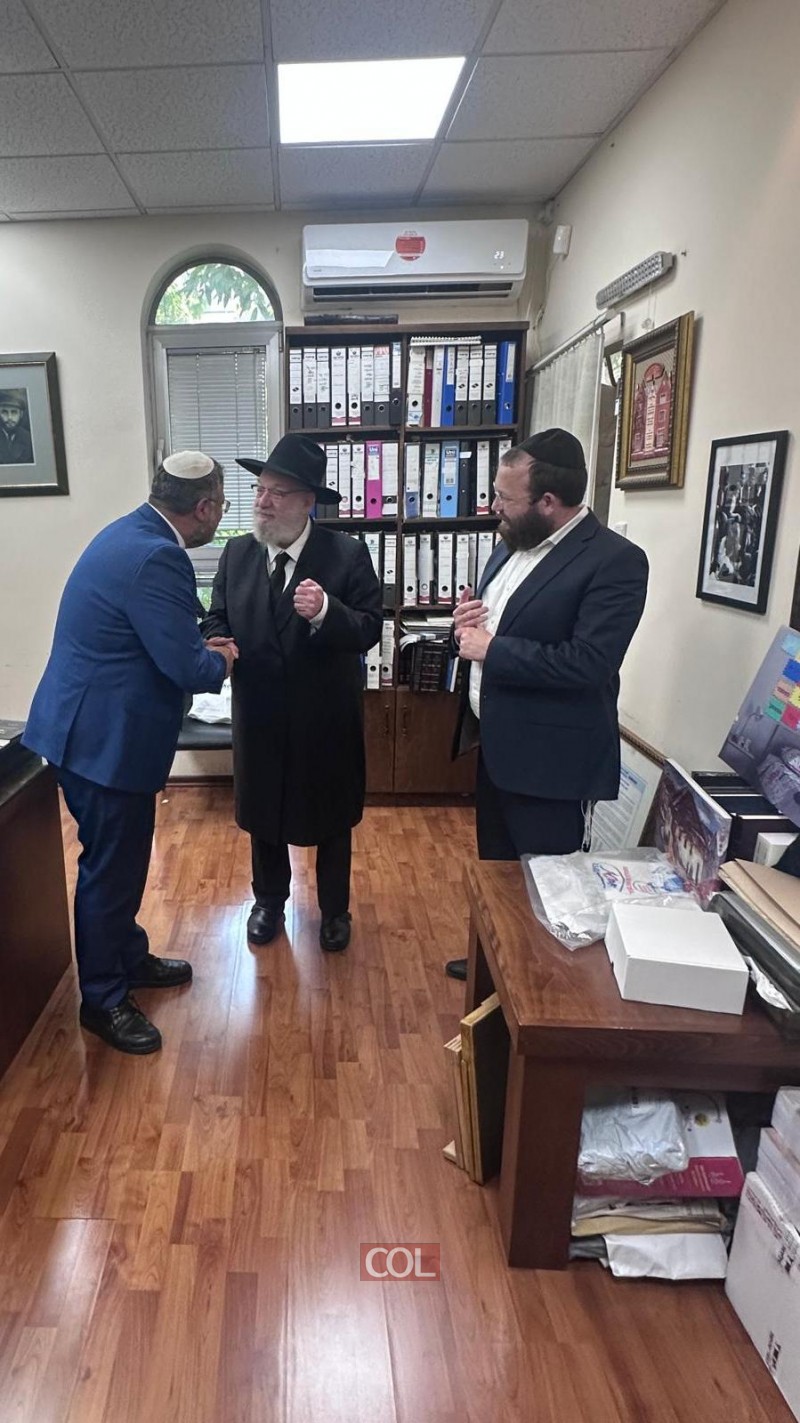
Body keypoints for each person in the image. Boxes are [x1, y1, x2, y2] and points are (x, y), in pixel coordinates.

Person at [22, 451, 238, 1052]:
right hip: (103, 744)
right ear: (203, 507)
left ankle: (127, 957)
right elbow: (187, 668)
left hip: (87, 730)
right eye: (222, 506)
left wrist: (195, 647)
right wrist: (222, 657)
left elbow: (150, 635)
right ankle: (103, 999)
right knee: (110, 871)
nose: (221, 516)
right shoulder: (159, 556)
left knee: (120, 864)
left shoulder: (129, 532)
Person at [445, 428, 649, 980]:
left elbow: (588, 664)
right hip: (497, 747)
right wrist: (466, 625)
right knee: (498, 873)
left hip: (552, 766)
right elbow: (492, 631)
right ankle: (494, 968)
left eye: (504, 498)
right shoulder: (510, 544)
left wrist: (492, 648)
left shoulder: (615, 561)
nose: (494, 507)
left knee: (551, 889)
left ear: (549, 502)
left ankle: (538, 988)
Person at [202, 433, 383, 953]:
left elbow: (370, 628)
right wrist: (218, 643)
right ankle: (268, 902)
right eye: (260, 489)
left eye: (277, 493)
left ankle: (334, 911)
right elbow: (216, 617)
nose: (263, 501)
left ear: (307, 502)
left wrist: (327, 612)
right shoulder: (238, 552)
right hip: (258, 714)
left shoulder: (346, 554)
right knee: (265, 815)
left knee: (331, 818)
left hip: (323, 717)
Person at [0, 390, 34, 463]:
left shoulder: (29, 439)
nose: (9, 417)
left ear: (21, 414)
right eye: (4, 412)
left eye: (14, 412)